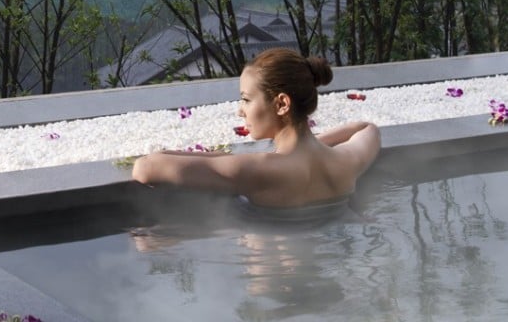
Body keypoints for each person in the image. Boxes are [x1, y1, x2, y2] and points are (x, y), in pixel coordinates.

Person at [132, 47, 380, 209]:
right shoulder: (346, 162)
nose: (240, 110)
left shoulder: (258, 169)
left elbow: (145, 168)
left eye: (247, 99)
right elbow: (367, 128)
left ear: (282, 103)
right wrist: (315, 145)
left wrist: (226, 157)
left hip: (273, 281)